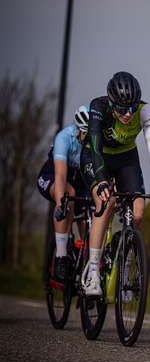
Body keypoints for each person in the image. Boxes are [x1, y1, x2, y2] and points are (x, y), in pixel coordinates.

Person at [80, 71, 150, 297]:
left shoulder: (145, 111)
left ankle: (125, 274)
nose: (128, 114)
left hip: (126, 158)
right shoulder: (98, 107)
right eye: (122, 109)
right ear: (111, 103)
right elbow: (94, 142)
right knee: (107, 202)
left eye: (132, 107)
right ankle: (93, 273)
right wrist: (102, 180)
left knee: (139, 213)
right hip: (96, 155)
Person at [37, 105, 90, 281]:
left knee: (87, 216)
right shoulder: (64, 138)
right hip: (53, 177)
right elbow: (60, 175)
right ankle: (60, 257)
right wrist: (61, 204)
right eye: (86, 133)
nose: (90, 138)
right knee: (68, 195)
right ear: (78, 129)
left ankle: (87, 266)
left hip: (80, 181)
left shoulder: (96, 139)